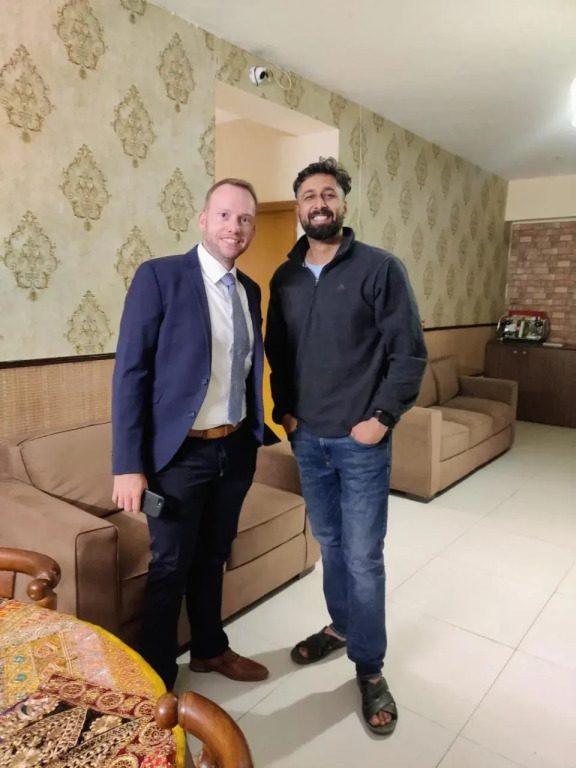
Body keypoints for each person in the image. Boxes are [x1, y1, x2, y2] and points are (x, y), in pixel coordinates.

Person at [265, 157, 427, 736]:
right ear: (299, 207)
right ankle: (341, 627)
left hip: (360, 443)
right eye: (309, 195)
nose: (319, 203)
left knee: (362, 556)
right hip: (308, 439)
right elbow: (277, 352)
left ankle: (370, 666)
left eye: (328, 194)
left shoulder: (380, 268)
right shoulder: (284, 278)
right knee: (331, 545)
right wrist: (286, 413)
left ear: (343, 205)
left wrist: (382, 418)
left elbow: (408, 352)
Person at [111, 178, 269, 690]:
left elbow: (244, 368)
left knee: (213, 555)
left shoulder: (250, 290)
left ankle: (209, 649)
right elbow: (130, 374)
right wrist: (127, 465)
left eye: (244, 219)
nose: (234, 227)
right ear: (203, 220)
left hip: (235, 449)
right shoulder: (160, 277)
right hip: (179, 456)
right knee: (170, 566)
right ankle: (154, 679)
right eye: (224, 215)